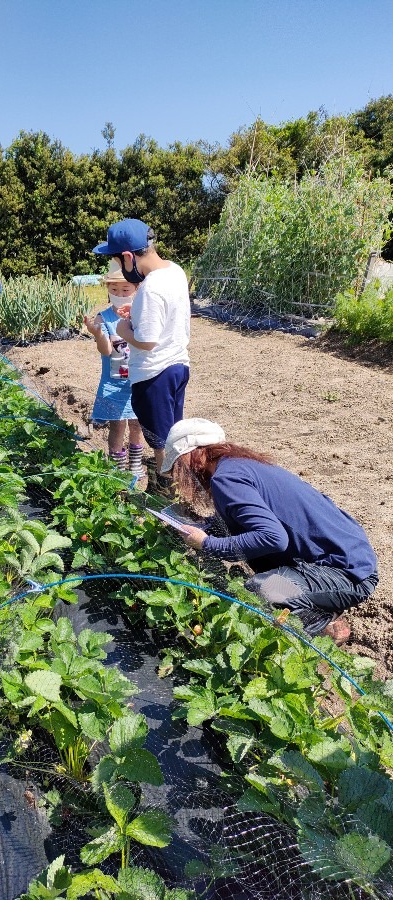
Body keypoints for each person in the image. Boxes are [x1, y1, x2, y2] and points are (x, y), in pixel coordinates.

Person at [161, 418, 379, 644]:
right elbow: (253, 521)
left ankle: (324, 627)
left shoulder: (226, 479)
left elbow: (272, 538)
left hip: (348, 573)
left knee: (259, 589)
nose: (183, 476)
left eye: (180, 466)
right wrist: (207, 525)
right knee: (266, 579)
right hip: (349, 556)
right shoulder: (239, 465)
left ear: (195, 455)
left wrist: (206, 543)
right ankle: (314, 603)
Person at [92, 219, 190, 485]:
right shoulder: (175, 271)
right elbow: (162, 320)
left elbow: (146, 341)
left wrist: (123, 328)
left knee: (160, 442)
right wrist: (134, 316)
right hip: (178, 366)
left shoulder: (150, 287)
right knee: (170, 434)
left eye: (120, 263)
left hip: (153, 373)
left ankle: (167, 493)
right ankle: (172, 486)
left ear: (127, 257)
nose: (123, 273)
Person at [83, 260, 145, 475]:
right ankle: (117, 469)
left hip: (137, 381)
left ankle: (136, 466)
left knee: (137, 424)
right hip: (114, 383)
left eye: (125, 288)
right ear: (107, 289)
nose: (119, 292)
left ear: (136, 289)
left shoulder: (141, 315)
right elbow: (107, 351)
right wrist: (98, 334)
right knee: (117, 426)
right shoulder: (104, 317)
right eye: (114, 288)